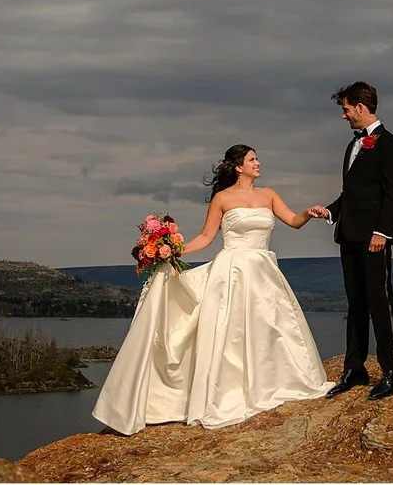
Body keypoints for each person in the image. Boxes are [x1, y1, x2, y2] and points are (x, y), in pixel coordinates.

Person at [93, 145, 333, 434]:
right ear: (238, 167)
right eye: (252, 159)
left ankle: (272, 383)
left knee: (271, 328)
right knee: (230, 335)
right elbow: (207, 237)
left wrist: (308, 212)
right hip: (231, 272)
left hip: (263, 271)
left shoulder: (269, 195)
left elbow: (293, 221)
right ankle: (229, 394)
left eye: (257, 159)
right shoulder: (222, 198)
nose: (258, 163)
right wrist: (172, 250)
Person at [306, 81, 393, 399]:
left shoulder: (389, 145)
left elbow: (392, 194)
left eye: (346, 109)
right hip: (348, 236)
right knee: (356, 303)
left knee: (380, 301)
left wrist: (382, 233)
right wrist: (331, 211)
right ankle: (355, 369)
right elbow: (352, 194)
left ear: (361, 108)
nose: (343, 116)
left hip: (374, 239)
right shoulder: (353, 146)